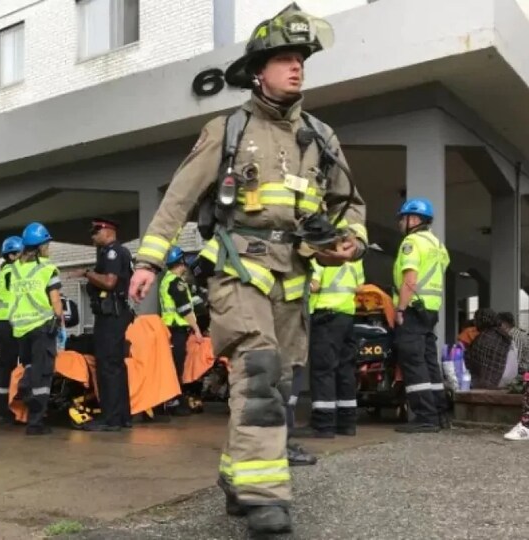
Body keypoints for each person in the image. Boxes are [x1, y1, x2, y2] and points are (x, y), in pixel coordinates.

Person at [127, 4, 368, 534]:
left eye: (300, 57)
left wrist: (348, 243)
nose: (296, 67)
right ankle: (266, 500)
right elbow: (178, 201)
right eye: (284, 58)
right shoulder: (227, 129)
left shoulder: (323, 138)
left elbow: (350, 205)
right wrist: (149, 260)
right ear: (259, 70)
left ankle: (239, 475)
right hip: (239, 271)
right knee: (257, 374)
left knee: (278, 387)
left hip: (294, 278)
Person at [392, 197, 451, 433]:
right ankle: (439, 413)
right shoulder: (438, 245)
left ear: (414, 219)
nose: (400, 223)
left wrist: (400, 309)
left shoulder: (412, 242)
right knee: (429, 362)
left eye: (402, 218)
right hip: (431, 309)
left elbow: (410, 280)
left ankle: (425, 417)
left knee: (413, 362)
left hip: (414, 309)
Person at [293, 259, 365, 438]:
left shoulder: (323, 252)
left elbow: (315, 285)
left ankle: (323, 424)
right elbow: (359, 287)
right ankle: (347, 423)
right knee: (345, 369)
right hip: (347, 314)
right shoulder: (355, 257)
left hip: (326, 316)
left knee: (323, 370)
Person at [9, 222, 65, 435]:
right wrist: (59, 322)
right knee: (43, 377)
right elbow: (56, 301)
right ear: (41, 246)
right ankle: (36, 422)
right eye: (47, 244)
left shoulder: (13, 270)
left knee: (31, 368)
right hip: (43, 328)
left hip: (21, 329)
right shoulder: (47, 268)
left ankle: (24, 385)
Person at [78, 218, 134, 432]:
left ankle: (110, 418)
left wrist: (87, 274)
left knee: (107, 366)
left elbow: (109, 282)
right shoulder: (119, 252)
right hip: (117, 315)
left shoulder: (112, 252)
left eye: (96, 232)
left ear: (109, 231)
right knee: (116, 366)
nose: (93, 236)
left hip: (111, 316)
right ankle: (122, 417)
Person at [159, 246, 205, 416]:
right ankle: (173, 402)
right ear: (182, 263)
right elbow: (185, 309)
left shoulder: (166, 280)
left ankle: (171, 401)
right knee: (177, 367)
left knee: (173, 366)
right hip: (176, 330)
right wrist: (197, 330)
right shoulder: (176, 282)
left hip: (169, 330)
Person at [0, 235, 24, 424]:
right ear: (12, 255)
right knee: (11, 366)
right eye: (21, 253)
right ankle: (6, 410)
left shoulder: (5, 272)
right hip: (9, 323)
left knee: (6, 365)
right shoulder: (14, 272)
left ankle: (2, 409)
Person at [465, 308, 514, 389]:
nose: (474, 323)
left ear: (482, 321)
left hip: (493, 382)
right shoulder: (503, 335)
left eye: (476, 320)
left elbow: (472, 362)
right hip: (509, 381)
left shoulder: (483, 338)